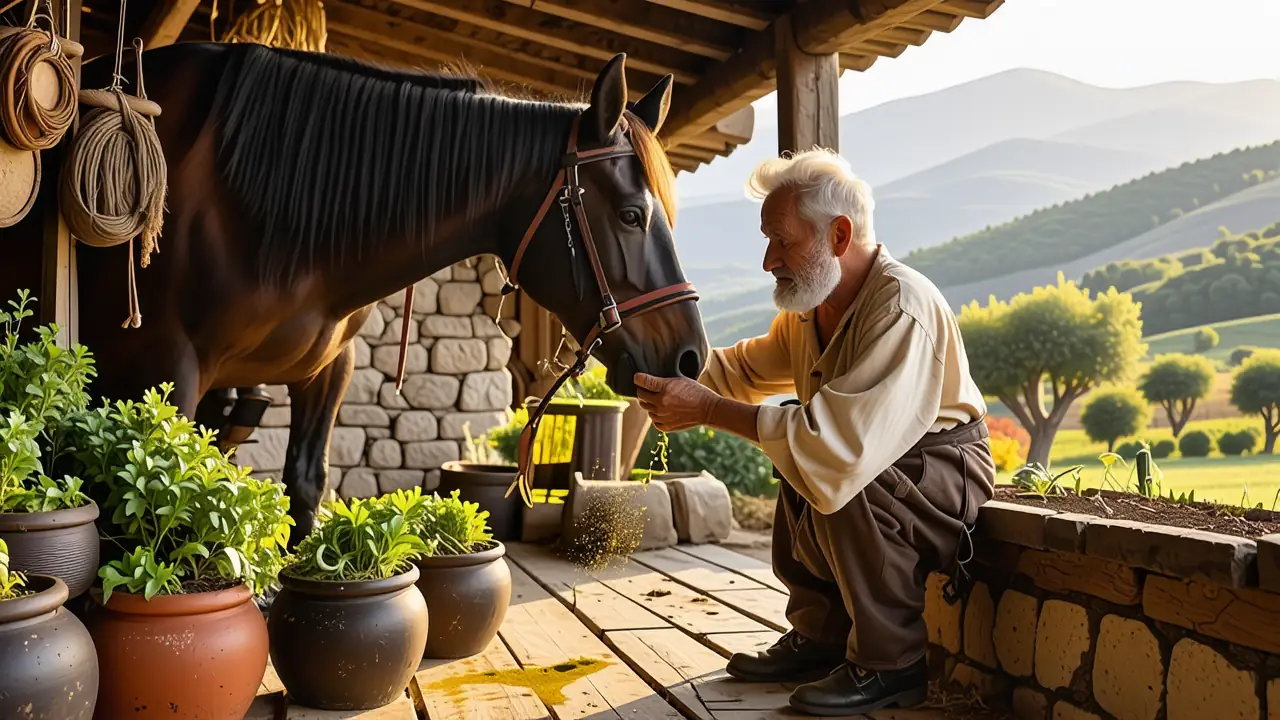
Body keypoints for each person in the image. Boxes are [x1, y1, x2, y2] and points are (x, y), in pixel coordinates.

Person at [633, 148, 996, 716]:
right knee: (795, 446)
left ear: (840, 235)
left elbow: (839, 446)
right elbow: (738, 372)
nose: (768, 261)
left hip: (941, 476)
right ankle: (821, 636)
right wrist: (645, 364)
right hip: (882, 463)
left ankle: (891, 663)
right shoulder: (811, 311)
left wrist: (706, 410)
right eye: (767, 241)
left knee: (833, 462)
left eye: (782, 241)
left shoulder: (901, 307)